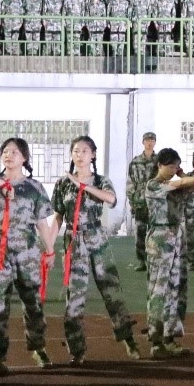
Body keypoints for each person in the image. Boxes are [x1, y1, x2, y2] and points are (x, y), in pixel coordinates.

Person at [0, 137, 56, 376]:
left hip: (27, 253)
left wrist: (50, 250)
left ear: (24, 158)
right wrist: (2, 183)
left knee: (33, 304)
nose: (9, 155)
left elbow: (42, 223)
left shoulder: (34, 188)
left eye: (15, 152)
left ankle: (38, 348)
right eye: (5, 151)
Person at [51, 136, 141, 364]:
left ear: (93, 155)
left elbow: (111, 199)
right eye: (76, 151)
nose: (79, 155)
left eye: (84, 151)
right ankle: (77, 350)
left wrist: (83, 185)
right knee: (74, 298)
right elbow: (58, 216)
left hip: (97, 239)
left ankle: (128, 339)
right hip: (73, 241)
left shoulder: (101, 181)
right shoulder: (63, 183)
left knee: (112, 292)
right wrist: (49, 246)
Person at [145, 147, 194, 357]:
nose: (174, 170)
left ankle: (170, 337)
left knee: (176, 287)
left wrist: (183, 172)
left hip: (176, 237)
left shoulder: (177, 184)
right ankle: (156, 341)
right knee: (159, 289)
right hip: (160, 238)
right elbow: (181, 183)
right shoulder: (154, 185)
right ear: (159, 165)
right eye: (170, 166)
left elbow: (187, 185)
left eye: (176, 166)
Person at [126, 131, 159, 270]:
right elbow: (130, 182)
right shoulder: (136, 162)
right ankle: (141, 261)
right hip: (140, 201)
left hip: (155, 201)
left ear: (155, 142)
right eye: (147, 140)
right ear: (143, 142)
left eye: (152, 140)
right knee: (140, 232)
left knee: (155, 232)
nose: (149, 143)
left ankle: (154, 260)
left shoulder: (160, 161)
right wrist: (132, 201)